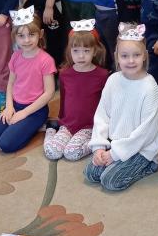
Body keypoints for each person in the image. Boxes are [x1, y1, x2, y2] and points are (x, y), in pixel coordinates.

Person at [85, 22, 158, 192]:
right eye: (125, 56)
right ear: (117, 57)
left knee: (109, 181)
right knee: (91, 174)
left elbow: (146, 133)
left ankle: (149, 166)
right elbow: (102, 116)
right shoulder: (113, 80)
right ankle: (116, 159)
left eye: (136, 55)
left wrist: (114, 154)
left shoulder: (149, 87)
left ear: (144, 55)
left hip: (143, 150)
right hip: (116, 144)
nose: (131, 60)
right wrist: (99, 147)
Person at [0, 7, 56, 153]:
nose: (27, 40)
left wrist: (24, 113)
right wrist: (9, 107)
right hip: (15, 105)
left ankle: (34, 126)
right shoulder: (16, 56)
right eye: (21, 36)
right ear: (15, 37)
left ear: (40, 34)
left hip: (36, 110)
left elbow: (49, 92)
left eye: (31, 35)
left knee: (5, 145)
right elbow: (11, 84)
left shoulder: (46, 60)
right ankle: (23, 126)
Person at [43, 20, 110, 161]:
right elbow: (64, 98)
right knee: (52, 152)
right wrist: (61, 120)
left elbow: (107, 104)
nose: (81, 56)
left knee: (71, 153)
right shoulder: (64, 74)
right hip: (67, 125)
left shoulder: (103, 75)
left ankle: (96, 143)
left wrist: (104, 130)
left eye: (86, 51)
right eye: (76, 51)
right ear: (70, 51)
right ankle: (51, 130)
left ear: (95, 51)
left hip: (89, 126)